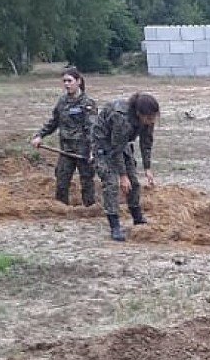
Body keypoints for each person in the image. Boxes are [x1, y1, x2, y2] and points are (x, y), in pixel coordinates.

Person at [92, 92, 160, 241]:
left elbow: (146, 142)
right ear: (138, 113)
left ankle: (137, 217)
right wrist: (122, 176)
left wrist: (147, 168)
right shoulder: (120, 118)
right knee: (111, 184)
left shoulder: (149, 117)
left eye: (153, 117)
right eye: (148, 118)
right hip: (104, 144)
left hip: (121, 144)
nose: (151, 121)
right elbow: (115, 151)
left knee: (134, 183)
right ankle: (114, 225)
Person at [31, 65, 97, 207]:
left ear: (78, 81)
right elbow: (53, 122)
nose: (67, 84)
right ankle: (61, 210)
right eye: (64, 81)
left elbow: (92, 129)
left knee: (87, 182)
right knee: (61, 181)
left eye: (70, 81)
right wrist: (39, 135)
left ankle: (89, 211)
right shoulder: (62, 102)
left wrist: (93, 150)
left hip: (83, 152)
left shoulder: (88, 104)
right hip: (66, 150)